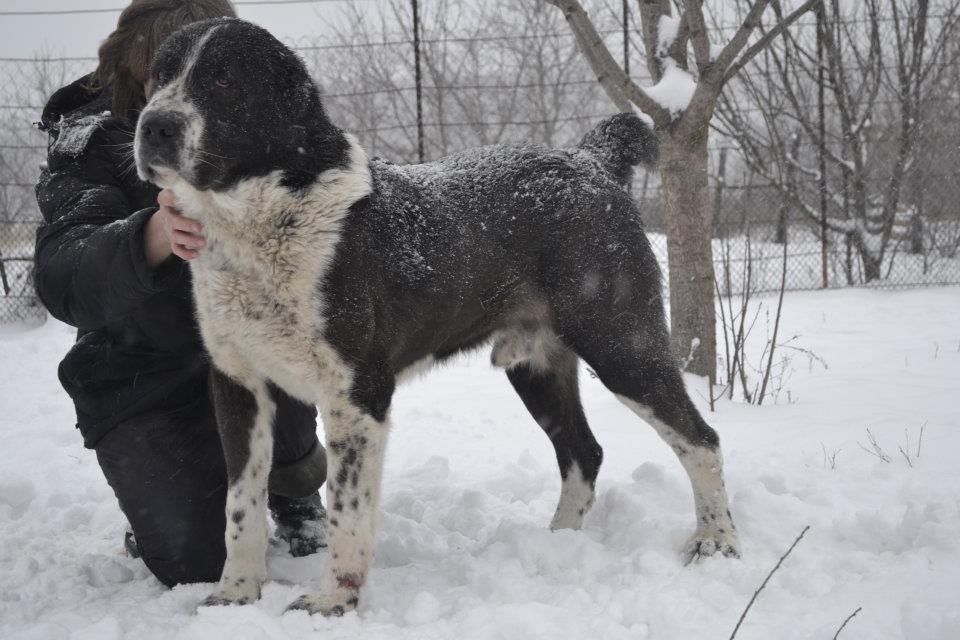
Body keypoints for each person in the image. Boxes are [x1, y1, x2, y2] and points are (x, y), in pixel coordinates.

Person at [33, 0, 327, 588]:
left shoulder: (260, 116)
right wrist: (153, 235)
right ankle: (165, 511)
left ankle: (293, 487)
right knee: (200, 566)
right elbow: (63, 273)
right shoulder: (92, 136)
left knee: (285, 347)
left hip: (250, 353)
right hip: (145, 379)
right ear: (140, 67)